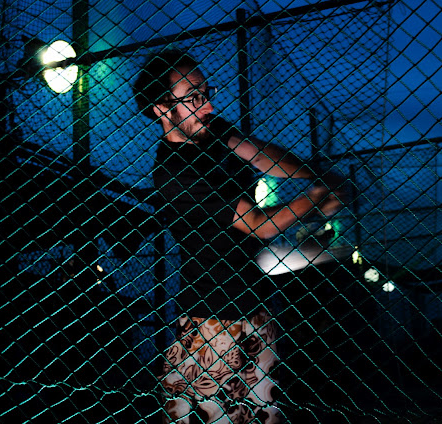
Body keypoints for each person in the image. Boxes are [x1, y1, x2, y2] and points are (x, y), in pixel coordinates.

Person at [133, 50, 345, 423]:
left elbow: (263, 157)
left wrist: (314, 176)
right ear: (162, 109)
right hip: (211, 318)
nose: (208, 103)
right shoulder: (173, 173)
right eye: (193, 95)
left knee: (265, 416)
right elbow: (257, 223)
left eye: (205, 90)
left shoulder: (211, 129)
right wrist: (315, 198)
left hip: (256, 306)